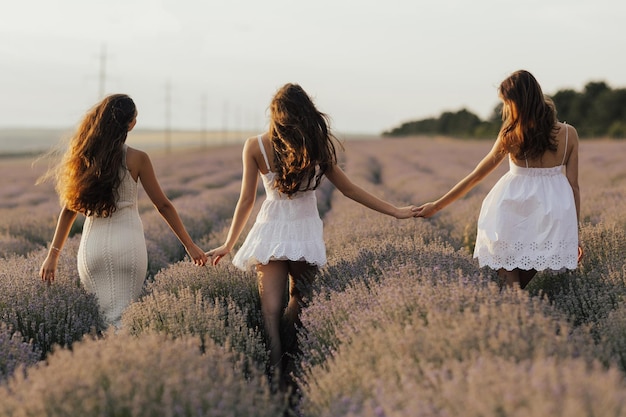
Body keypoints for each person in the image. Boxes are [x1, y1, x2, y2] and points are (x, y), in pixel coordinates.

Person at [206, 83, 417, 388]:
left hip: (270, 231)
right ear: (305, 111)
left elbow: (247, 200)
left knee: (269, 311)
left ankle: (277, 375)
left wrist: (229, 243)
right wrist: (395, 211)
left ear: (275, 114)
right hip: (304, 231)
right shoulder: (314, 145)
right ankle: (295, 360)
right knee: (299, 299)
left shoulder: (255, 145)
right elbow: (350, 190)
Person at [39, 94, 207, 328]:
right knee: (125, 319)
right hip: (128, 247)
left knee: (100, 322)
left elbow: (68, 210)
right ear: (131, 124)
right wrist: (190, 245)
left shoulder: (85, 157)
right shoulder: (138, 158)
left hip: (92, 249)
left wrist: (53, 255)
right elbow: (163, 205)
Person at [416, 70, 581, 289]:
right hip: (553, 213)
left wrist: (437, 206)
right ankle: (517, 313)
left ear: (517, 102)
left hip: (512, 209)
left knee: (509, 278)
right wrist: (574, 233)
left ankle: (511, 314)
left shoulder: (512, 135)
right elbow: (574, 187)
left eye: (507, 103)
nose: (505, 109)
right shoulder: (569, 134)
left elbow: (476, 176)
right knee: (520, 282)